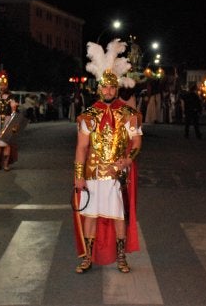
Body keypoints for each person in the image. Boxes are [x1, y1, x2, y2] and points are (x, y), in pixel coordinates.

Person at [73, 39, 142, 274]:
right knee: (90, 215)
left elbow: (136, 141)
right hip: (92, 173)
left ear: (117, 88)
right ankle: (88, 257)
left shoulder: (128, 114)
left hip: (116, 174)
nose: (109, 91)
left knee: (118, 216)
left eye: (113, 87)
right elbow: (82, 148)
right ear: (99, 87)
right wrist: (78, 176)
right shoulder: (89, 115)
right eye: (105, 87)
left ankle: (121, 257)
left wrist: (129, 159)